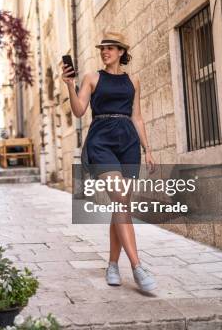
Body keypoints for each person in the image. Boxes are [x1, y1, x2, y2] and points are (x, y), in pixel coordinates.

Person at [61, 30, 157, 292]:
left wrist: (147, 148)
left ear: (122, 52)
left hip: (128, 143)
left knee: (121, 203)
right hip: (101, 141)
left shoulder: (133, 81)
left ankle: (113, 264)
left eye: (111, 48)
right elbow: (80, 110)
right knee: (121, 198)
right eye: (103, 48)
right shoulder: (92, 78)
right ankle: (137, 267)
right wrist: (70, 85)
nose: (105, 52)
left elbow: (137, 117)